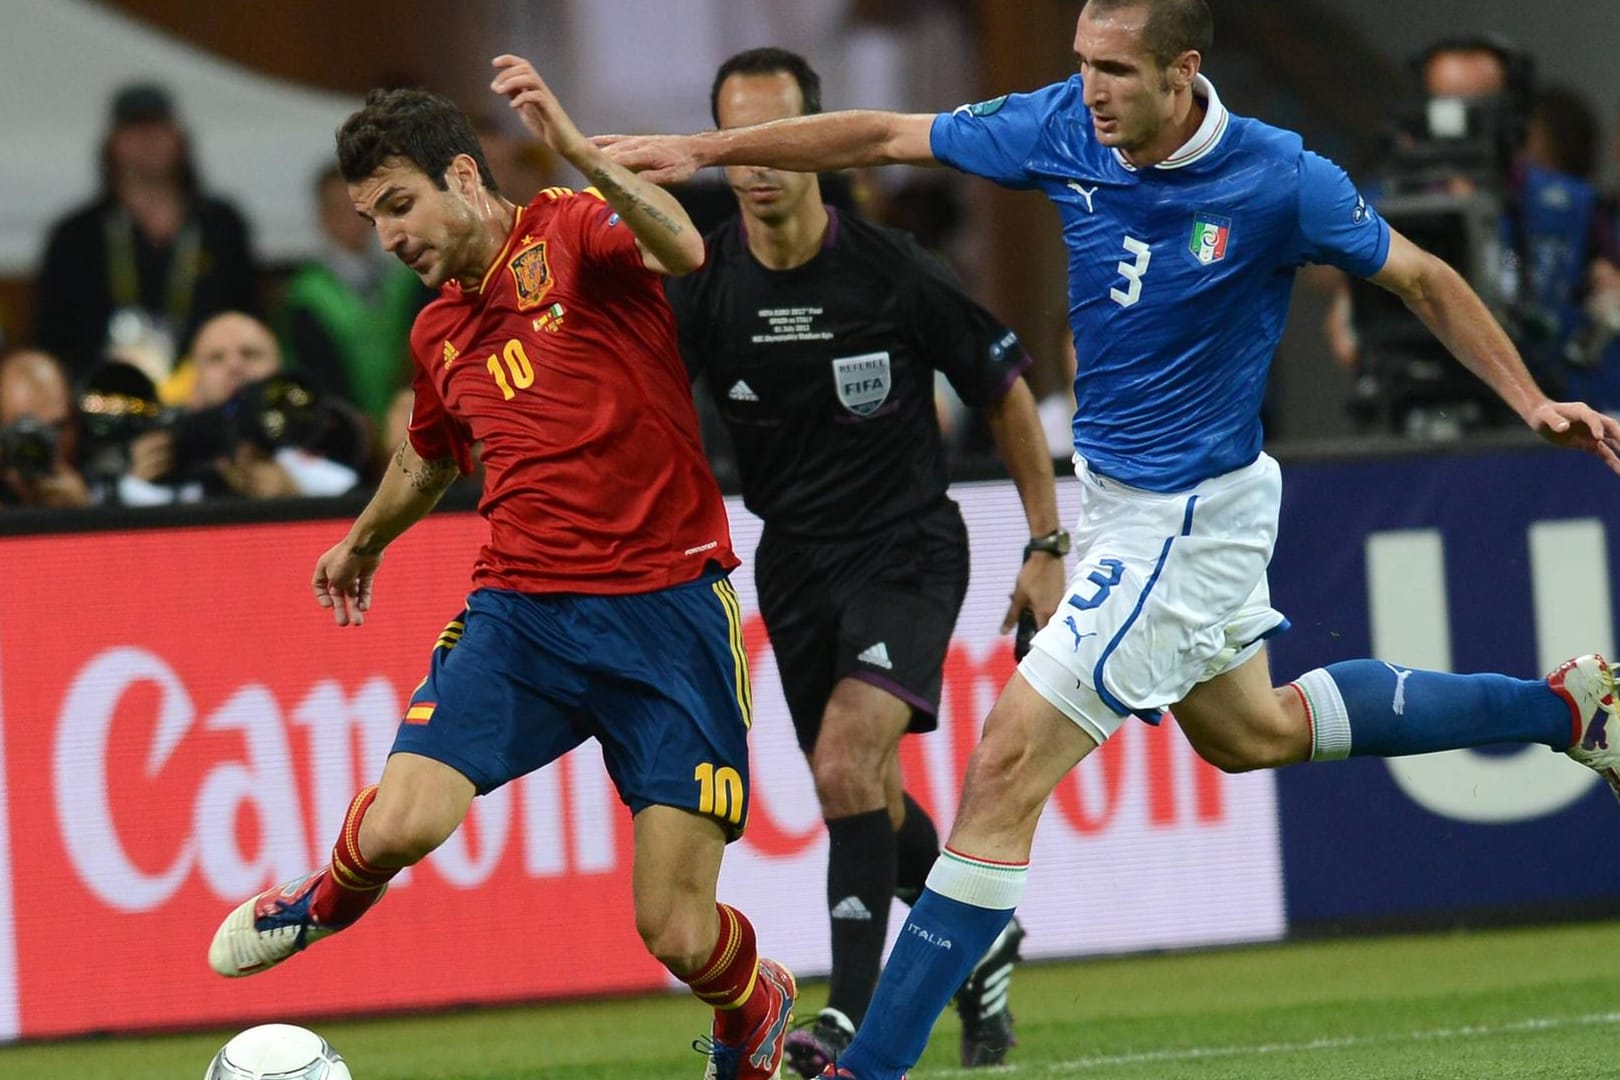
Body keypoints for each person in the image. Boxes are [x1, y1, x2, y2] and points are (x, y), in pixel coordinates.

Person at [598, 2, 1620, 1078]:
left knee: (1003, 766)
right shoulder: (1061, 127)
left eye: (1116, 72)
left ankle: (870, 1065)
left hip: (1189, 515)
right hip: (1130, 508)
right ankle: (1570, 708)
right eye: (1082, 64)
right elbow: (880, 135)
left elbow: (1420, 276)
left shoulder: (1280, 177)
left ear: (1183, 72)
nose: (1090, 90)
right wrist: (707, 153)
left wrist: (1533, 397)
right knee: (1253, 732)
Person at [204, 56, 797, 1080]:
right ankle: (324, 900)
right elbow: (430, 453)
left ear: (466, 179)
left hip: (668, 614)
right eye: (371, 217)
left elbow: (686, 244)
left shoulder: (570, 229)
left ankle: (758, 1005)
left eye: (400, 206)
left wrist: (573, 147)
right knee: (403, 819)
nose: (391, 237)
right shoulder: (439, 327)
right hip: (522, 613)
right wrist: (362, 541)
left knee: (676, 932)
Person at [664, 48, 1065, 1076]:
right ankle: (980, 942)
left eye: (776, 137)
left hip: (909, 550)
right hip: (793, 565)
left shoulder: (892, 268)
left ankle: (846, 1014)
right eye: (735, 143)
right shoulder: (704, 284)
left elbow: (1005, 389)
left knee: (848, 758)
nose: (756, 164)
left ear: (819, 139)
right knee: (866, 799)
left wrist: (1044, 539)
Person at [33, 82, 258, 382]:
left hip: (209, 402)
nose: (147, 141)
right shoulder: (76, 236)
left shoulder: (220, 226)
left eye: (157, 130)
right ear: (112, 144)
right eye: (134, 131)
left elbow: (249, 320)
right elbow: (51, 339)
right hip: (103, 405)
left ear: (180, 140)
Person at [112, 311, 362, 505]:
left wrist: (293, 499)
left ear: (279, 373)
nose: (235, 366)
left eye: (250, 354)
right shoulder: (165, 469)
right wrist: (135, 488)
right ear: (194, 388)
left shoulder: (330, 482)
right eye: (216, 358)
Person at [277, 163, 431, 436]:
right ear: (323, 217)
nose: (354, 218)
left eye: (361, 207)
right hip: (347, 432)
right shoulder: (306, 296)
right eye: (342, 208)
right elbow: (318, 376)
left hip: (413, 422)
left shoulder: (405, 278)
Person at [0, 349, 92, 509]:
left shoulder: (102, 479)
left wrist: (86, 516)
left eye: (56, 427)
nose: (36, 446)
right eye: (22, 431)